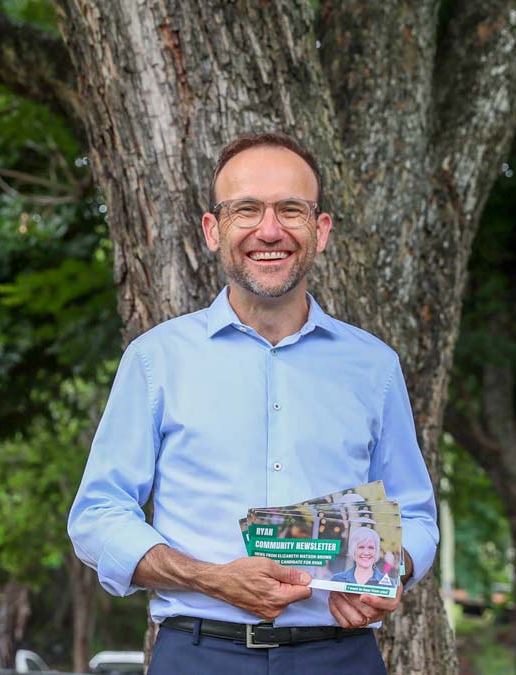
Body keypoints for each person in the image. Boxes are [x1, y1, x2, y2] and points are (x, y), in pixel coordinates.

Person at [67, 132, 439, 674]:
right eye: (247, 210)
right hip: (196, 655)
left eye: (291, 210)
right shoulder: (156, 359)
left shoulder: (374, 367)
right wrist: (209, 577)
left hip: (341, 656)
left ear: (321, 230)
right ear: (213, 230)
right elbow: (98, 516)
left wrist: (392, 569)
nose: (270, 230)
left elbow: (414, 515)